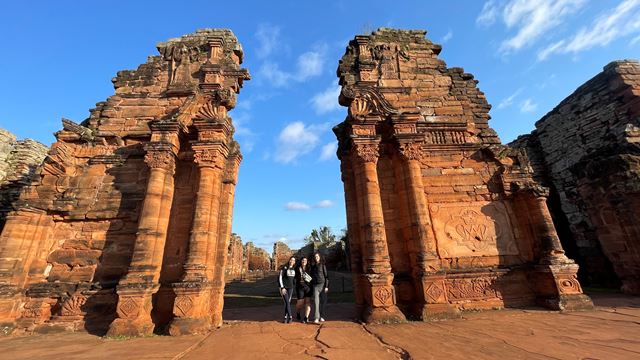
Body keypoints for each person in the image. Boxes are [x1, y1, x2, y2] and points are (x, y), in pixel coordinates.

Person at [310, 252, 329, 324]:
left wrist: (326, 286)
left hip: (323, 285)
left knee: (323, 301)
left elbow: (326, 276)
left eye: (317, 256)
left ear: (319, 257)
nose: (316, 258)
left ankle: (322, 316)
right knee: (316, 302)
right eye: (315, 257)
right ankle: (316, 317)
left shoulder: (323, 265)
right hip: (315, 286)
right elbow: (311, 277)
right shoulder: (313, 266)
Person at [278, 256, 297, 323]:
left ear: (294, 262)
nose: (292, 261)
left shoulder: (295, 268)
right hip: (284, 288)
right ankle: (291, 316)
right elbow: (280, 278)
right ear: (289, 260)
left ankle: (285, 317)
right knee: (287, 302)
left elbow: (295, 278)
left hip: (291, 288)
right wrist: (282, 287)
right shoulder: (284, 268)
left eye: (294, 260)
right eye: (291, 260)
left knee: (287, 302)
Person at [295, 257, 313, 323]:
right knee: (300, 303)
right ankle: (298, 312)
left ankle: (306, 317)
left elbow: (312, 278)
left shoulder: (309, 268)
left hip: (308, 287)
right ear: (301, 261)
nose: (304, 261)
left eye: (305, 260)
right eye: (303, 260)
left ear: (307, 261)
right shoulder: (297, 268)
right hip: (300, 287)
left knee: (308, 302)